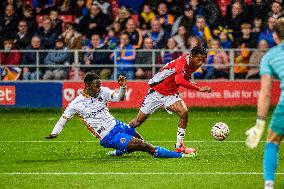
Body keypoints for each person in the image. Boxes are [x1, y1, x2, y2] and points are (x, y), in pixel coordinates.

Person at [45, 73, 196, 159]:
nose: (99, 88)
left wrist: (123, 87)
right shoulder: (75, 104)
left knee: (139, 140)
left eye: (99, 85)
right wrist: (54, 133)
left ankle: (119, 151)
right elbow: (63, 120)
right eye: (95, 86)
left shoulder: (103, 91)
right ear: (86, 86)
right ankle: (179, 156)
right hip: (107, 136)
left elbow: (119, 98)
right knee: (144, 146)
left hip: (118, 125)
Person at [129, 46, 212, 153]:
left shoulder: (193, 63)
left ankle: (179, 146)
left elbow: (183, 78)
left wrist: (191, 83)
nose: (200, 63)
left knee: (184, 112)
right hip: (156, 92)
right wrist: (198, 88)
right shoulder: (182, 61)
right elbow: (179, 80)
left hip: (170, 94)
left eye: (203, 60)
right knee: (137, 122)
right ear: (191, 56)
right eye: (198, 60)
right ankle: (122, 133)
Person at [245, 18, 284, 189]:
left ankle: (269, 185)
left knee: (272, 141)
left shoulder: (270, 56)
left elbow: (266, 92)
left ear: (275, 36)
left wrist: (259, 124)